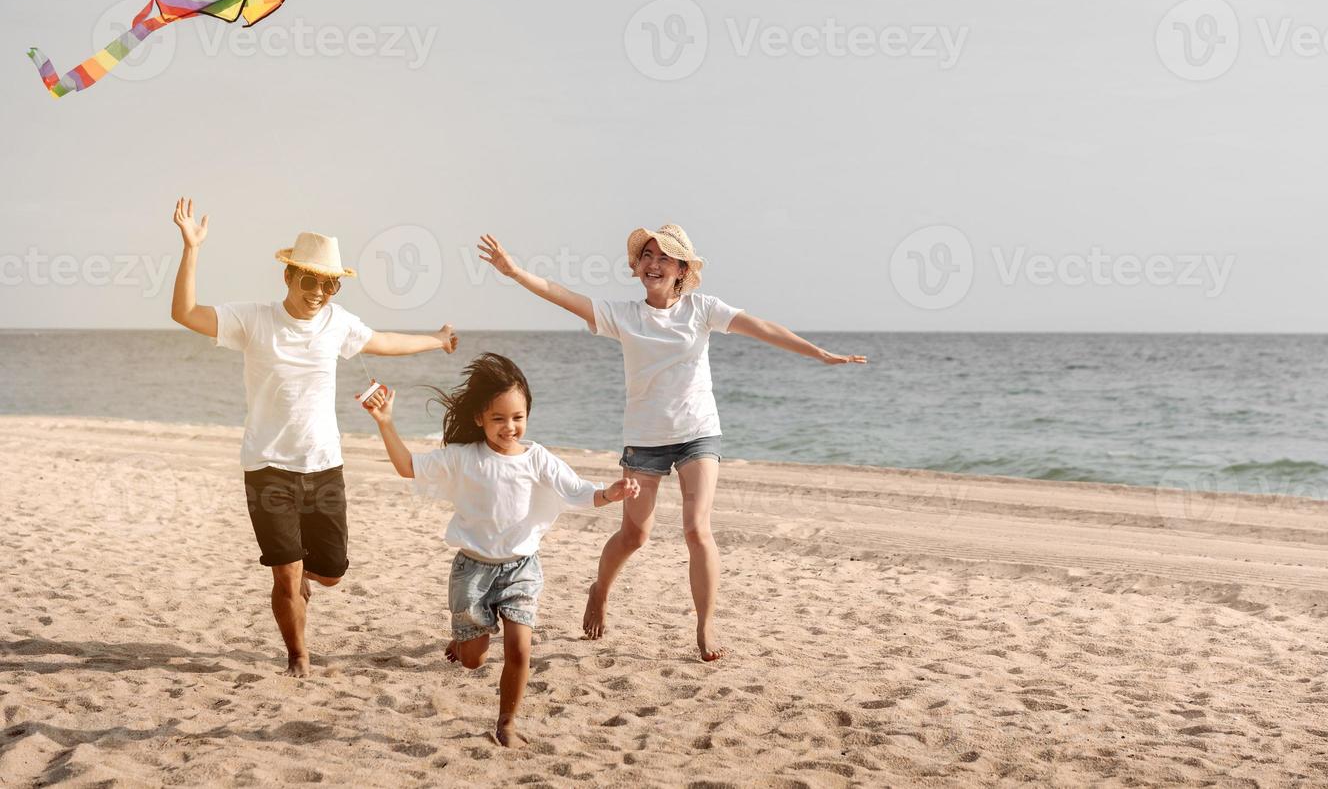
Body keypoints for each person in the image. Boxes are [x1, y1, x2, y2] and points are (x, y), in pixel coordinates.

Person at [476, 224, 865, 660]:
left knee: (697, 528)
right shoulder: (623, 315)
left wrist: (818, 353)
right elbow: (562, 295)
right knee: (634, 535)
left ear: (682, 269)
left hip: (699, 432)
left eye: (664, 257)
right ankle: (600, 589)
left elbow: (762, 327)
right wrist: (514, 272)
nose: (654, 263)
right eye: (647, 256)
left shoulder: (701, 309)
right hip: (644, 440)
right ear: (637, 266)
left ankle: (705, 625)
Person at [168, 197, 458, 677]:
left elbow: (386, 342)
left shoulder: (337, 323)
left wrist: (438, 339)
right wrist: (191, 249)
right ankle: (298, 655)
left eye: (330, 283)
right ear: (288, 276)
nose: (320, 291)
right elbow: (184, 312)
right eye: (311, 281)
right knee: (285, 574)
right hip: (266, 467)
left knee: (330, 573)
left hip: (323, 465)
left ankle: (305, 580)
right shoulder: (253, 319)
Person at [360, 354, 640, 748]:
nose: (510, 427)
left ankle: (506, 723)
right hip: (472, 572)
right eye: (499, 419)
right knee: (473, 660)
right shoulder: (463, 458)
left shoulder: (537, 457)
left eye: (518, 417)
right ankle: (462, 643)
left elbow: (577, 491)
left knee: (519, 649)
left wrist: (611, 494)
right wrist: (385, 422)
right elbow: (408, 467)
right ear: (479, 418)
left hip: (522, 569)